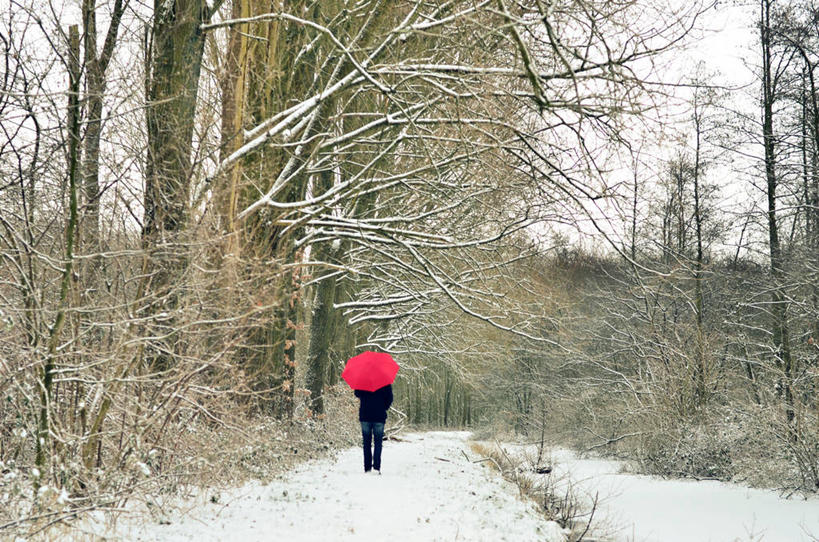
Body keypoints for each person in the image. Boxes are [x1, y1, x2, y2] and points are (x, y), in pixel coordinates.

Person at [354, 384, 393, 474]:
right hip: (379, 416)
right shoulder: (385, 383)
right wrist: (384, 407)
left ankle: (367, 467)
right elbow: (390, 398)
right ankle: (376, 467)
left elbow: (357, 393)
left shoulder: (362, 381)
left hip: (365, 415)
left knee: (366, 443)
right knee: (378, 443)